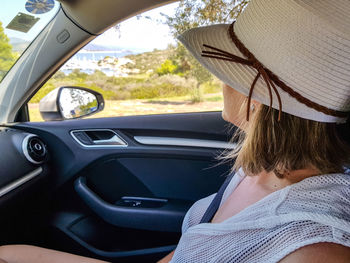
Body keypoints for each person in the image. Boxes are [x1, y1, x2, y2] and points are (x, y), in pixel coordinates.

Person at [1, 0, 350, 262]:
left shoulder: (316, 248)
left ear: (256, 96)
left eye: (225, 68)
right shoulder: (259, 167)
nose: (218, 79)